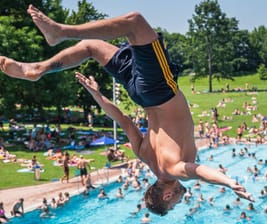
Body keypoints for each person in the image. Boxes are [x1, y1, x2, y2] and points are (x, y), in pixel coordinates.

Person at [0, 4, 253, 216]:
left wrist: (228, 182)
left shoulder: (173, 169)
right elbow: (121, 119)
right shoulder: (145, 156)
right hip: (140, 93)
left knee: (134, 22)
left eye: (174, 205)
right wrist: (98, 96)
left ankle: (59, 32)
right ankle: (38, 69)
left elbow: (199, 172)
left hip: (159, 89)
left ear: (166, 195)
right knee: (91, 47)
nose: (179, 202)